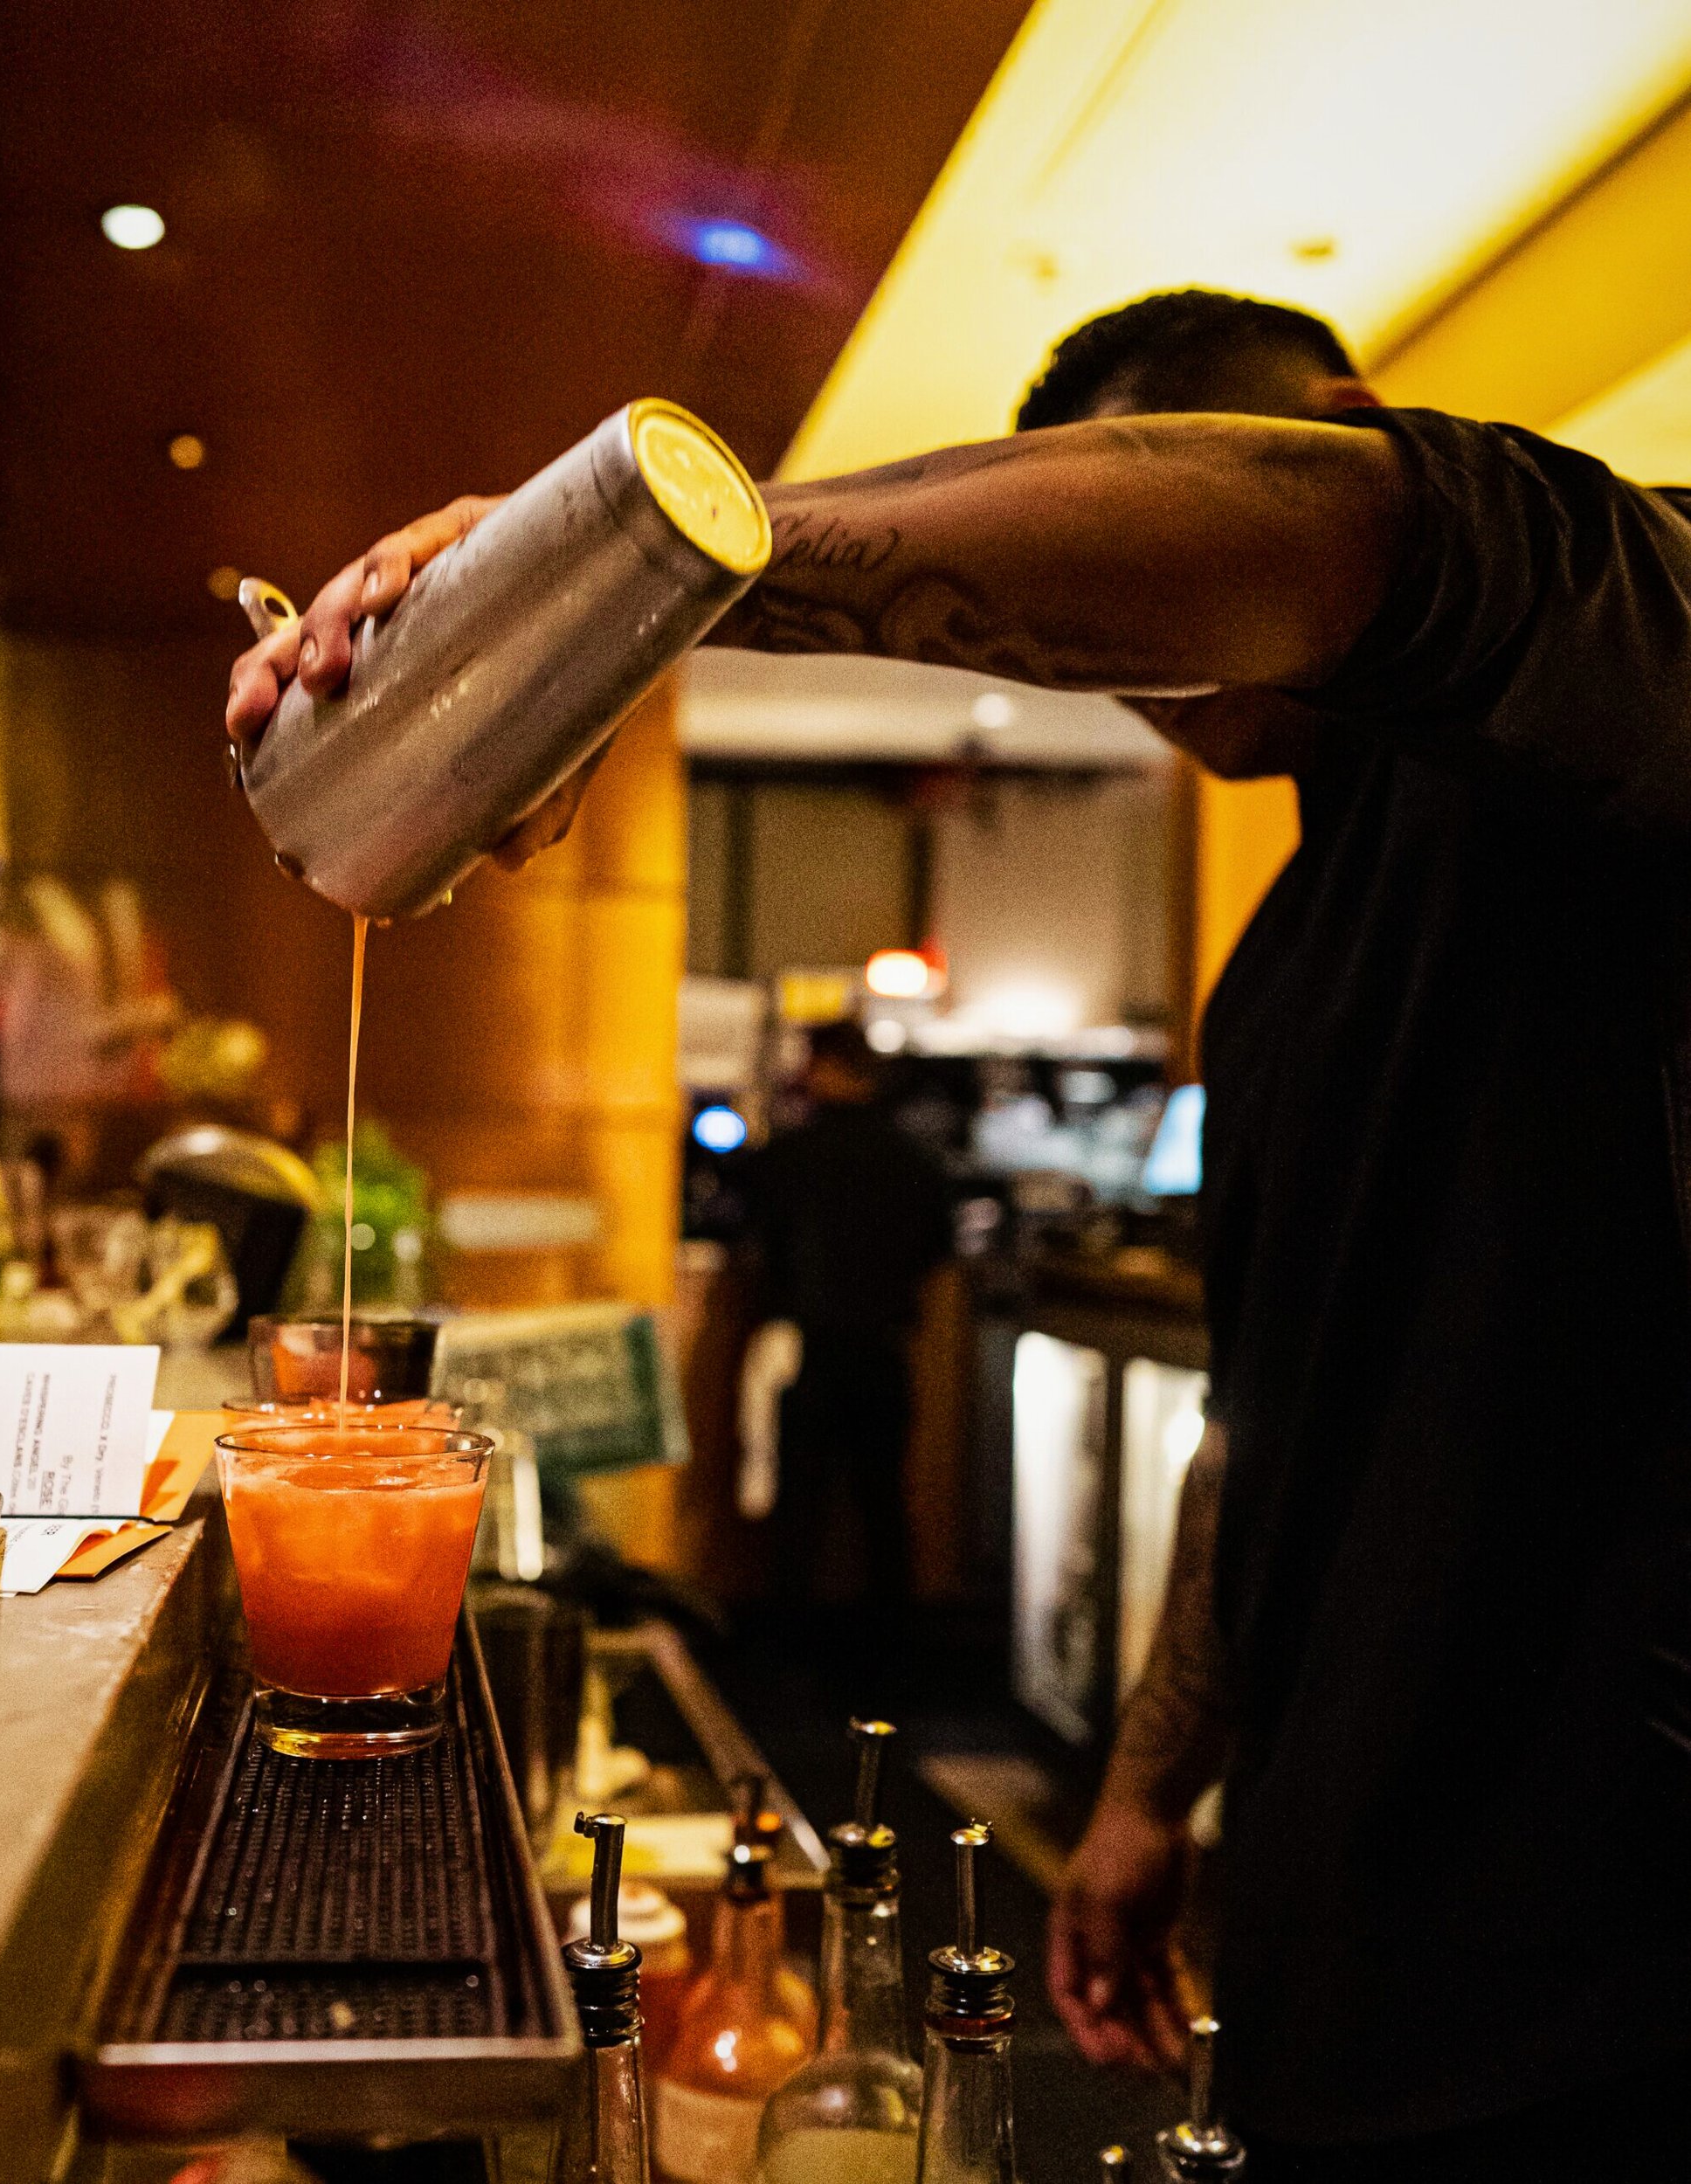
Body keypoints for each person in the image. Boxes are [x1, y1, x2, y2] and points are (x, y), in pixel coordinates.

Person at [226, 288, 1691, 2176]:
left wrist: (640, 565)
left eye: (1124, 557)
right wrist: (1145, 1790)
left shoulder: (1624, 657)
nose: (1127, 671)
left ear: (1330, 427)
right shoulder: (1262, 980)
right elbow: (1263, 1413)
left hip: (1618, 1970)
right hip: (1345, 1935)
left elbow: (1329, 538)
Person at [741, 1019, 951, 1620]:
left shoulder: (789, 1155)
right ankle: (891, 1650)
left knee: (799, 1504)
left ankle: (788, 1654)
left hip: (804, 1347)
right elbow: (937, 1248)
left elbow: (759, 1243)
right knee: (883, 1500)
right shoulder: (914, 1159)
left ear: (829, 1068)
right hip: (884, 1346)